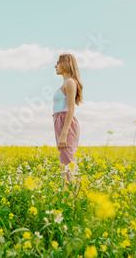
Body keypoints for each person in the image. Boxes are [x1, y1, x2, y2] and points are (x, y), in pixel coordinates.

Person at [52, 53, 83, 187]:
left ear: (66, 64)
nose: (55, 66)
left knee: (68, 160)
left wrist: (64, 133)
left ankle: (72, 197)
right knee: (64, 160)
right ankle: (67, 194)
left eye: (58, 63)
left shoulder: (70, 82)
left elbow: (71, 109)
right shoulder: (65, 83)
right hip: (59, 121)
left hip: (66, 122)